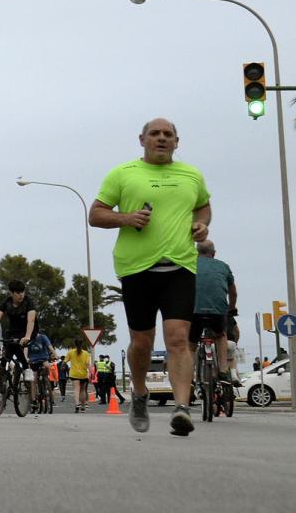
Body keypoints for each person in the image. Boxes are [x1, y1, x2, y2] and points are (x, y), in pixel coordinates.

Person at [89, 117, 210, 436]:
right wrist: (127, 218)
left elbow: (203, 207)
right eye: (154, 134)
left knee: (178, 338)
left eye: (167, 134)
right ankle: (140, 393)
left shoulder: (191, 175)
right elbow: (95, 214)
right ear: (141, 139)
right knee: (142, 342)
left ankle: (182, 408)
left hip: (180, 266)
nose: (161, 138)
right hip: (137, 268)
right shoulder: (123, 174)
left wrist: (201, 225)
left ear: (177, 141)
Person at [189, 240, 238, 386]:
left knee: (191, 344)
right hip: (217, 310)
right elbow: (233, 292)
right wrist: (232, 308)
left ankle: (189, 376)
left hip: (194, 310)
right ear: (214, 253)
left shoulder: (190, 265)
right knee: (221, 335)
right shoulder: (223, 266)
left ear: (197, 253)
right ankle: (223, 371)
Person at [0, 280, 37, 392]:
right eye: (18, 292)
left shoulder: (28, 302)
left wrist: (27, 336)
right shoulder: (7, 302)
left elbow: (31, 320)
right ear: (11, 293)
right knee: (6, 356)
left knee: (15, 346)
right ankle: (0, 389)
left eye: (22, 292)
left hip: (28, 331)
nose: (21, 295)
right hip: (13, 331)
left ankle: (26, 369)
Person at [26, 330, 54, 408]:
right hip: (33, 360)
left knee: (48, 367)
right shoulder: (28, 339)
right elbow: (25, 349)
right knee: (33, 380)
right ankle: (34, 400)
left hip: (43, 359)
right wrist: (25, 358)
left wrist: (55, 354)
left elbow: (50, 346)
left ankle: (47, 383)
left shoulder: (43, 337)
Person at [65, 339, 91, 413]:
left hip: (74, 373)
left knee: (76, 389)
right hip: (83, 374)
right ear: (82, 344)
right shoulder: (86, 353)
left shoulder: (71, 352)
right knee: (82, 390)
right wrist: (90, 372)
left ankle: (77, 404)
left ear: (75, 344)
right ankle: (83, 407)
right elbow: (88, 364)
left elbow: (65, 361)